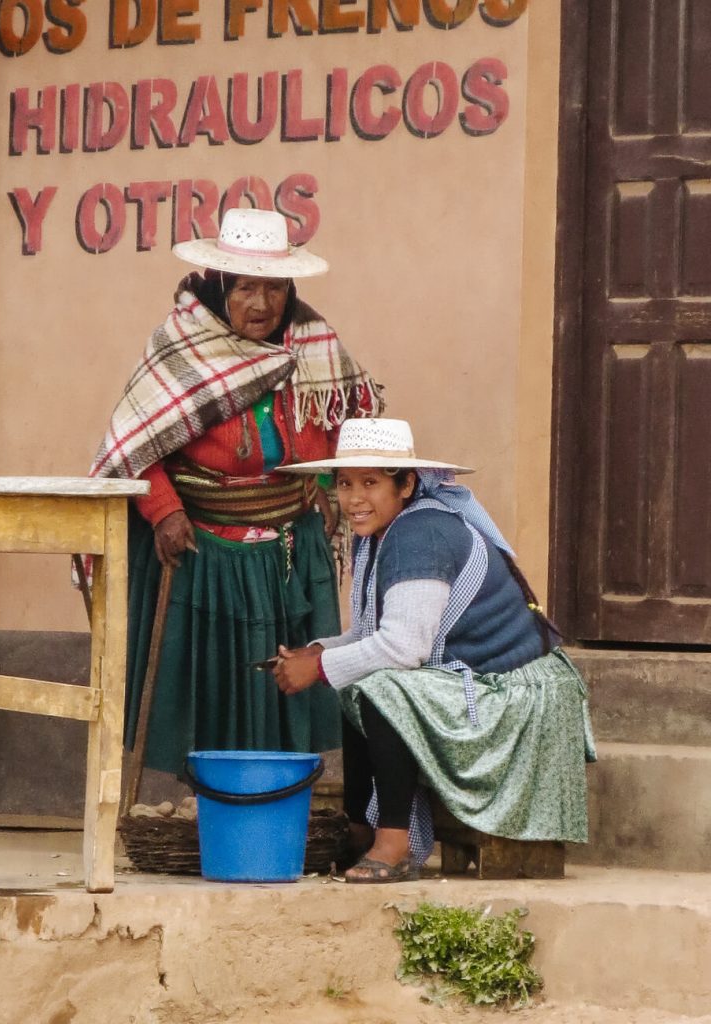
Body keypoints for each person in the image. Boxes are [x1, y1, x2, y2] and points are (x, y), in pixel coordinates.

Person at [88, 208, 383, 776]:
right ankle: (212, 794)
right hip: (206, 551)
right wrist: (164, 512)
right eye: (246, 287)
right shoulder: (179, 349)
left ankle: (278, 789)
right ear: (221, 286)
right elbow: (134, 449)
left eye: (274, 288)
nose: (261, 304)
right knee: (212, 679)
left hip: (288, 553)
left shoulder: (312, 344)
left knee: (290, 674)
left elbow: (335, 426)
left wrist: (324, 487)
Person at [273, 418, 596, 883]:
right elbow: (376, 636)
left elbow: (402, 649)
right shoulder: (381, 536)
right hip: (474, 679)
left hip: (516, 695)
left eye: (370, 483)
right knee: (354, 679)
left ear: (406, 485)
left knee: (381, 686)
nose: (354, 499)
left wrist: (320, 666)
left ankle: (394, 844)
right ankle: (361, 830)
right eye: (344, 484)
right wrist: (317, 653)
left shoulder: (420, 534)